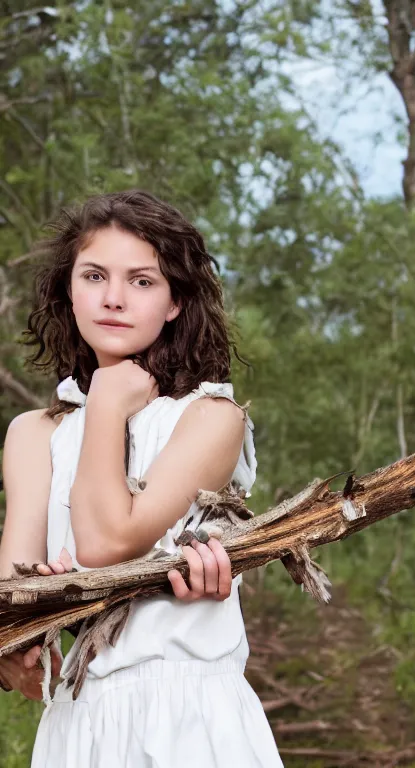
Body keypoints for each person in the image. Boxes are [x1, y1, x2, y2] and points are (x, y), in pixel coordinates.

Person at [0, 189, 284, 767]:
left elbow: (105, 544)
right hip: (81, 721)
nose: (113, 298)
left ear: (176, 301)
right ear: (68, 291)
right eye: (94, 275)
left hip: (191, 714)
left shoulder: (209, 418)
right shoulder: (33, 434)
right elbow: (11, 600)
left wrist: (105, 402)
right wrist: (18, 651)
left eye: (142, 281)